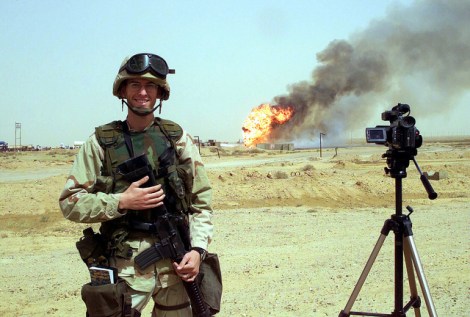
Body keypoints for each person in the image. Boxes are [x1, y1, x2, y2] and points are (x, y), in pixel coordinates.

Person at [59, 53, 214, 317]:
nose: (143, 92)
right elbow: (69, 203)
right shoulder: (100, 142)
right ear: (123, 90)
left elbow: (202, 202)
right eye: (135, 85)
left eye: (150, 86)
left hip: (177, 268)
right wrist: (121, 201)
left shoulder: (178, 139)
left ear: (160, 93)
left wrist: (198, 250)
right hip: (126, 268)